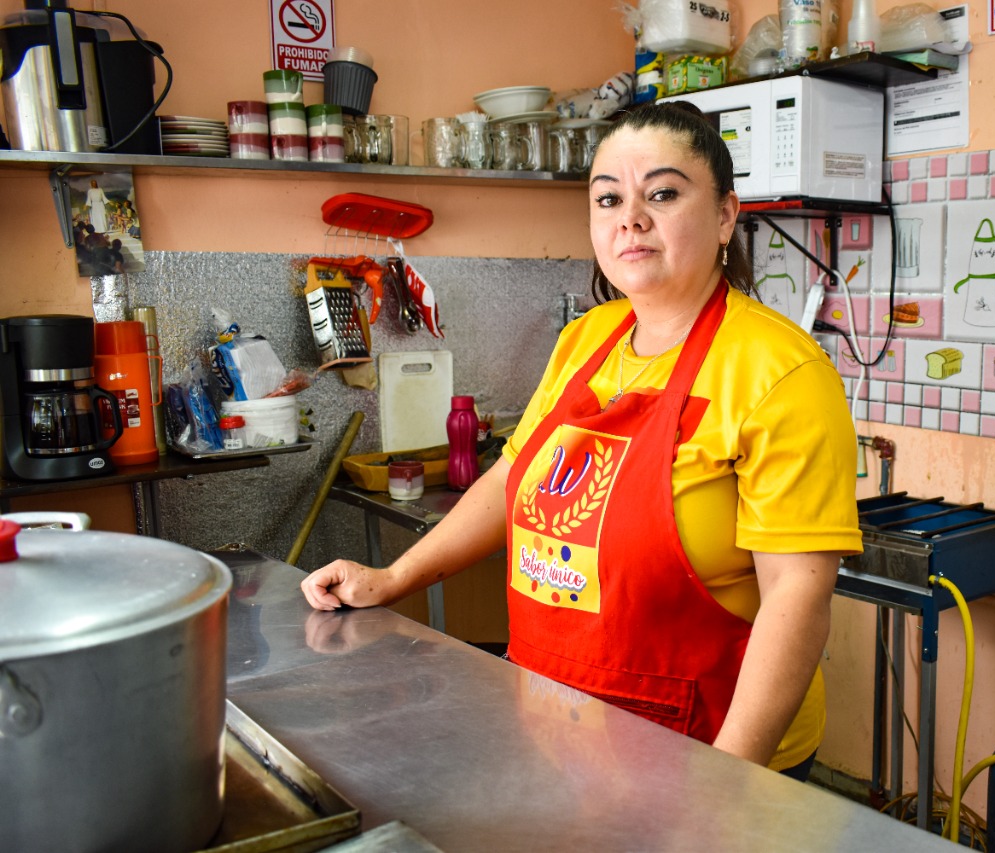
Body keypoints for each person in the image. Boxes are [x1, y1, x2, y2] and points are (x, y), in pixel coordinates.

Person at [301, 101, 862, 779]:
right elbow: (513, 479)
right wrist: (393, 578)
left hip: (700, 745)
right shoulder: (586, 340)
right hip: (558, 725)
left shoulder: (780, 372)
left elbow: (797, 596)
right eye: (608, 198)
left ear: (724, 216)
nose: (631, 217)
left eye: (662, 193)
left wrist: (730, 781)